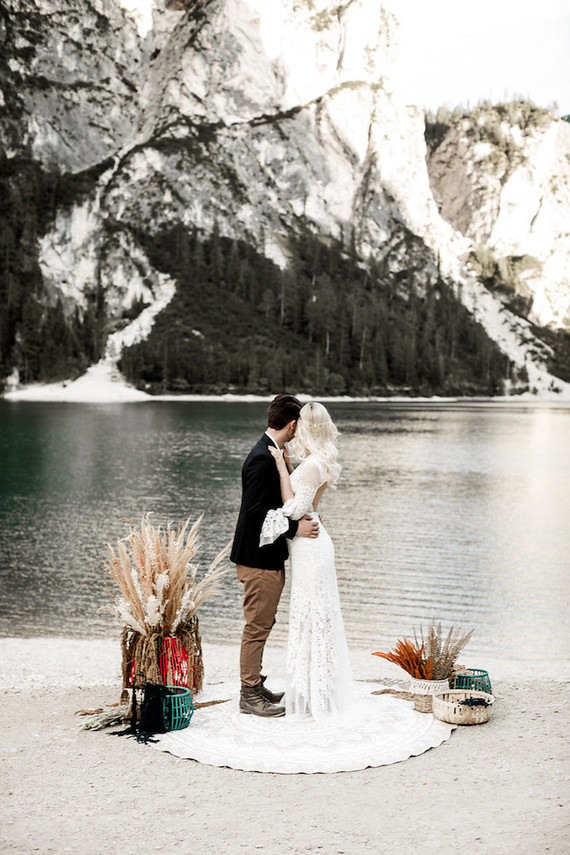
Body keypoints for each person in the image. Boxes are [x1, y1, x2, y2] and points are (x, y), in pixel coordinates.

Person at [261, 401, 352, 720]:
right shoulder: (319, 460)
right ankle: (315, 688)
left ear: (307, 428)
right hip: (312, 543)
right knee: (315, 615)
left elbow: (294, 510)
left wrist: (281, 468)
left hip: (311, 547)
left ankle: (315, 694)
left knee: (312, 616)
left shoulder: (312, 465)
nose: (295, 427)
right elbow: (307, 504)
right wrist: (286, 464)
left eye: (300, 423)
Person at [230, 394, 319, 717]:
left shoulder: (272, 453)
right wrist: (295, 531)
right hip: (257, 559)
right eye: (299, 427)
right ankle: (248, 693)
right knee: (256, 626)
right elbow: (256, 514)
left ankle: (255, 684)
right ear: (292, 424)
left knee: (264, 622)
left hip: (265, 557)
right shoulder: (261, 458)